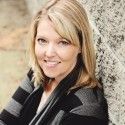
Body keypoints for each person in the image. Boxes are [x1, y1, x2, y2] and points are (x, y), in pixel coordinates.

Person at [0, 0, 108, 124]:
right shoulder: (37, 74)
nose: (49, 53)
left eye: (63, 42)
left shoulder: (84, 110)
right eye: (42, 40)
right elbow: (5, 120)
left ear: (81, 46)